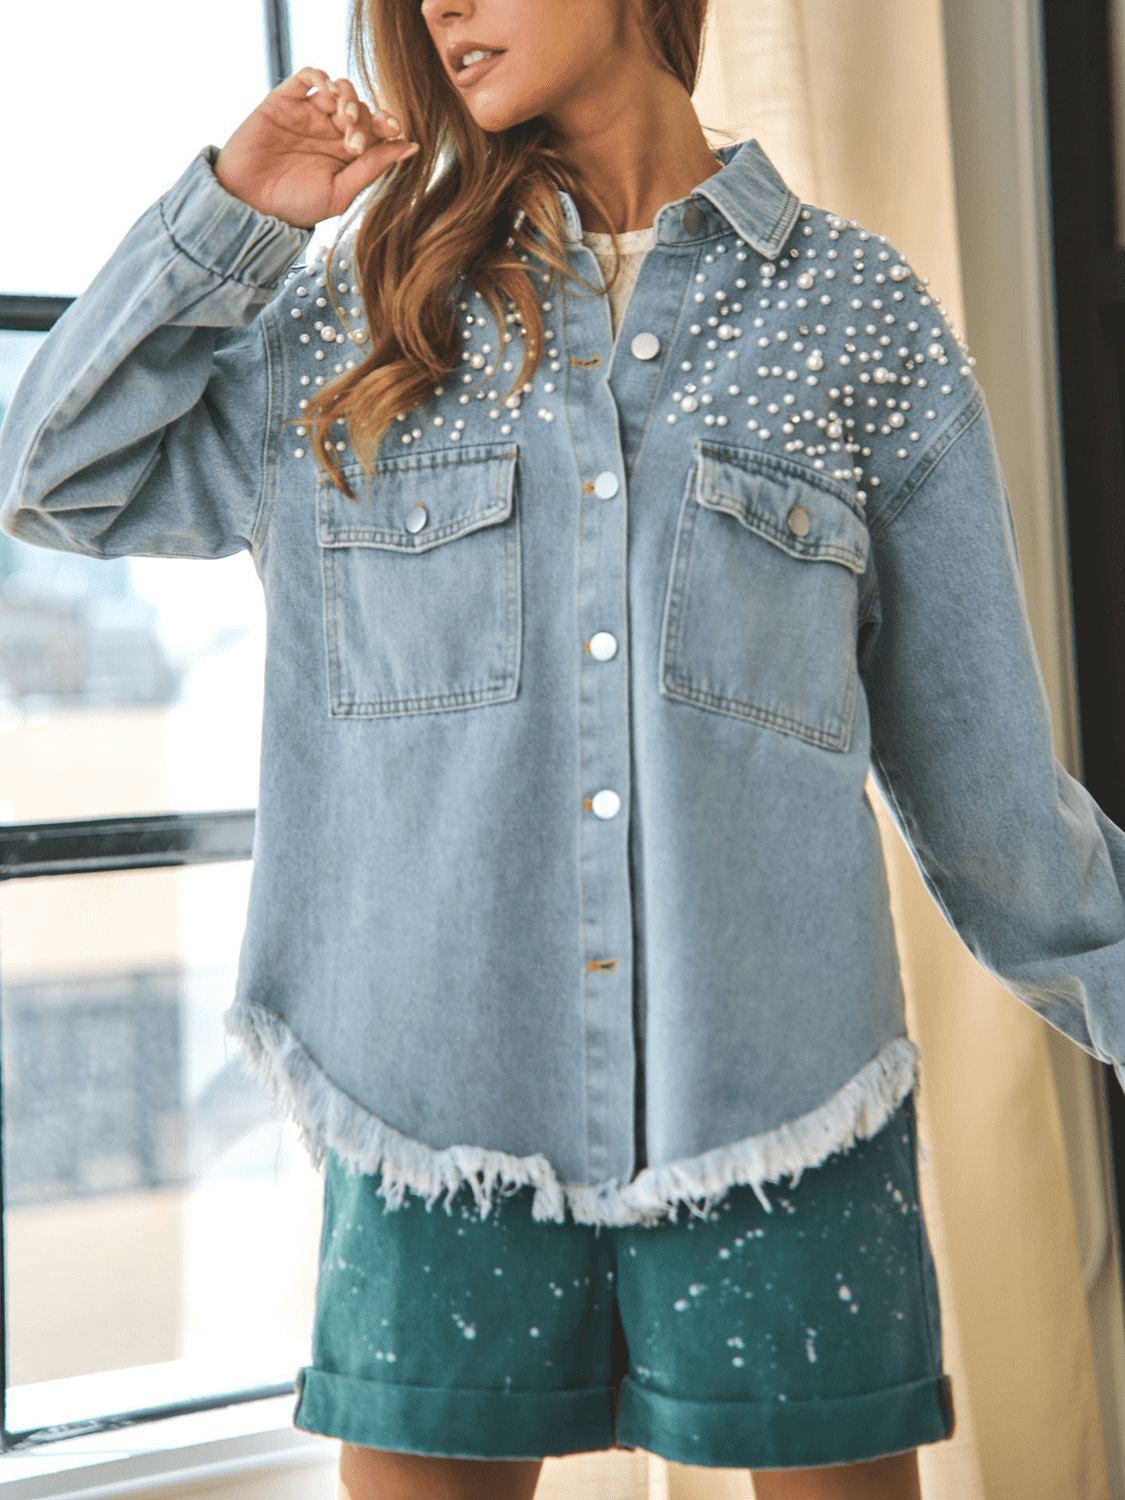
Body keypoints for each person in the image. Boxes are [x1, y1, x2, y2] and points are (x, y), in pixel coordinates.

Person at [3, 0, 1125, 1496]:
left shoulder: (855, 320)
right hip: (432, 1129)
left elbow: (993, 802)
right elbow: (59, 476)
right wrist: (233, 216)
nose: (441, 7)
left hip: (782, 1119)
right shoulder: (363, 318)